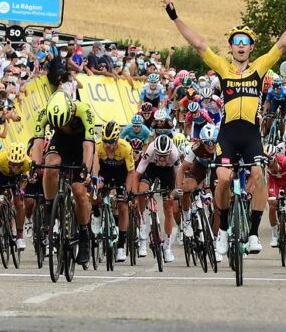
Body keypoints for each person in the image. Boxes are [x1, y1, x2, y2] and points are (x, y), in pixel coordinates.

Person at [161, 0, 286, 258]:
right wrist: (174, 16)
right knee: (222, 181)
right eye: (236, 42)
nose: (241, 46)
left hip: (251, 135)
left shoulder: (259, 68)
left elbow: (282, 44)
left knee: (258, 175)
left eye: (245, 42)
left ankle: (254, 233)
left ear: (251, 47)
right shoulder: (223, 68)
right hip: (228, 135)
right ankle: (222, 233)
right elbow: (198, 44)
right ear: (231, 47)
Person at [31, 91, 97, 265]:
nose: (65, 126)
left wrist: (86, 171)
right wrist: (34, 165)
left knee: (79, 190)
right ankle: (50, 206)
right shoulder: (44, 114)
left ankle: (84, 234)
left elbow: (89, 147)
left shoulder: (85, 112)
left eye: (67, 122)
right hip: (61, 142)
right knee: (50, 165)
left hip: (81, 144)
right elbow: (38, 143)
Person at [135, 132, 180, 261]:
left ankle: (167, 247)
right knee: (142, 190)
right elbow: (137, 174)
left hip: (168, 172)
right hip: (152, 168)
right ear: (155, 151)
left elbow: (178, 178)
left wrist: (175, 193)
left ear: (169, 153)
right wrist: (134, 193)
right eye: (159, 155)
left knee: (168, 209)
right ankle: (143, 223)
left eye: (164, 156)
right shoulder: (150, 150)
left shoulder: (175, 154)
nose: (161, 159)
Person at [96, 121, 136, 252]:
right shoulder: (98, 146)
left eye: (111, 141)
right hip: (104, 172)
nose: (107, 145)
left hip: (121, 174)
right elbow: (95, 168)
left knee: (123, 206)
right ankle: (96, 216)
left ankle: (121, 246)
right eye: (105, 141)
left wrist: (129, 191)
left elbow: (131, 172)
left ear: (117, 139)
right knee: (94, 194)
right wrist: (96, 183)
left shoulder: (126, 148)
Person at [0, 143, 32, 251]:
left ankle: (20, 237)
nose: (16, 167)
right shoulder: (0, 159)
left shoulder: (27, 162)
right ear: (9, 161)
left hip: (16, 178)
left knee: (19, 204)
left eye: (19, 165)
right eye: (13, 164)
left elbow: (27, 178)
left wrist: (21, 189)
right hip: (0, 175)